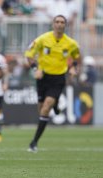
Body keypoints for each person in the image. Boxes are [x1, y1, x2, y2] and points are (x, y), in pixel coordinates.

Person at [25, 15, 81, 152]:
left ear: (65, 25)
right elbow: (29, 54)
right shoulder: (42, 39)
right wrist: (35, 69)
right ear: (53, 24)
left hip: (58, 78)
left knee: (45, 108)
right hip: (42, 77)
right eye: (57, 22)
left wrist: (73, 68)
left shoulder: (71, 43)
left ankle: (34, 142)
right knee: (41, 109)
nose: (59, 24)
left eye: (62, 22)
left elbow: (76, 57)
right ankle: (56, 106)